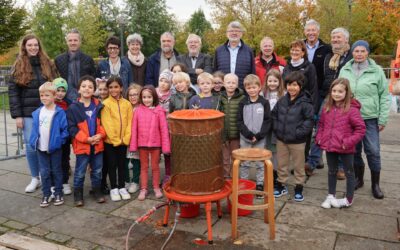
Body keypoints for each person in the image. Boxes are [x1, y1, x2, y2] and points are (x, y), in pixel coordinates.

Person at [339, 40, 390, 199]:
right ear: (352, 52)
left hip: (370, 118)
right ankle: (358, 179)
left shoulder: (377, 71)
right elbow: (339, 92)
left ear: (367, 52)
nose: (359, 54)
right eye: (356, 51)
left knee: (373, 151)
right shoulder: (345, 69)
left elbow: (384, 96)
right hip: (350, 118)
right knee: (354, 151)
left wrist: (382, 118)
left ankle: (375, 184)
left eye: (362, 51)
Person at [8, 34, 58, 193]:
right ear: (24, 47)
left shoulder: (47, 63)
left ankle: (46, 175)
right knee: (31, 146)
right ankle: (35, 177)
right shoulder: (18, 65)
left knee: (46, 144)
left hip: (47, 111)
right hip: (28, 113)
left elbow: (55, 83)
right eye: (30, 45)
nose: (33, 48)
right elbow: (13, 91)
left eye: (36, 45)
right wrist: (17, 115)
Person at [306, 27, 353, 177]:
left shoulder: (352, 56)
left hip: (344, 98)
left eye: (338, 37)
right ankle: (312, 162)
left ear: (346, 39)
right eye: (333, 38)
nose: (335, 40)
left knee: (341, 130)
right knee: (320, 128)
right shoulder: (328, 55)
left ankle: (340, 167)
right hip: (325, 96)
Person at [317, 78, 366, 208]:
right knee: (331, 171)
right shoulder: (327, 107)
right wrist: (320, 138)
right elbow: (321, 125)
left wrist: (347, 142)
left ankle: (348, 199)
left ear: (347, 92)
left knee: (349, 172)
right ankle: (331, 195)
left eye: (340, 91)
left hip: (346, 148)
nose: (336, 94)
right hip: (330, 145)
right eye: (334, 91)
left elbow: (360, 129)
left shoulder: (352, 109)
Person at [272, 71, 314, 202]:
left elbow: (309, 121)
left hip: (297, 141)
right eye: (289, 85)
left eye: (295, 85)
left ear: (301, 86)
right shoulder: (282, 101)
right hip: (282, 139)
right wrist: (278, 130)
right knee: (281, 164)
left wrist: (299, 133)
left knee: (298, 165)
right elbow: (274, 115)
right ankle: (281, 184)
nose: (292, 88)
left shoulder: (305, 102)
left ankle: (299, 186)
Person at [66, 75, 106, 206]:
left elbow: (104, 124)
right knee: (80, 172)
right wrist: (86, 139)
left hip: (98, 144)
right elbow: (72, 128)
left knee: (97, 171)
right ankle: (78, 194)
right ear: (78, 89)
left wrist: (100, 135)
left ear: (94, 90)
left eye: (90, 87)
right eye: (84, 86)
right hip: (83, 146)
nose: (87, 89)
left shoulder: (99, 106)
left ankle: (97, 191)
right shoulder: (73, 108)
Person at [30, 82, 69, 207]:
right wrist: (33, 141)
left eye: (47, 95)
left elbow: (65, 130)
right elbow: (34, 129)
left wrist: (59, 141)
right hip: (41, 148)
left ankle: (58, 193)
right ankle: (46, 194)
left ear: (54, 96)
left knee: (57, 171)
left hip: (55, 148)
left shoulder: (59, 112)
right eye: (41, 95)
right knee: (44, 172)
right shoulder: (37, 112)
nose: (44, 98)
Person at [130, 85, 171, 201]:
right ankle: (143, 188)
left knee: (155, 167)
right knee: (144, 167)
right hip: (142, 144)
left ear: (154, 97)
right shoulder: (137, 111)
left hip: (155, 145)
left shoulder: (159, 111)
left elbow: (164, 130)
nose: (146, 99)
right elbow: (134, 129)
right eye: (144, 97)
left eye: (149, 97)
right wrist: (133, 145)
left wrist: (165, 147)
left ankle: (156, 187)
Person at [238, 74, 271, 198]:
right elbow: (239, 121)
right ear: (245, 89)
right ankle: (244, 183)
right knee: (244, 162)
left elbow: (268, 120)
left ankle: (260, 184)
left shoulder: (264, 103)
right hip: (245, 137)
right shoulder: (243, 103)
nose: (251, 90)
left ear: (259, 88)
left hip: (260, 138)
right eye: (249, 88)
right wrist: (248, 134)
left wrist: (259, 135)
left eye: (254, 87)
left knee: (259, 163)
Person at [101, 76, 133, 202]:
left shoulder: (127, 104)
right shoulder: (105, 104)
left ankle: (122, 186)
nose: (113, 90)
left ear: (121, 88)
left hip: (123, 141)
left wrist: (126, 138)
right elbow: (107, 123)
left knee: (122, 164)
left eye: (116, 87)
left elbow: (130, 122)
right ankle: (114, 187)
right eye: (110, 87)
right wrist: (115, 139)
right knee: (112, 164)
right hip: (110, 142)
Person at [55, 29, 96, 101]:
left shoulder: (88, 59)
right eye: (70, 40)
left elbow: (93, 78)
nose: (73, 43)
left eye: (75, 40)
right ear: (67, 42)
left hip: (84, 98)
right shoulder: (59, 60)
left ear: (80, 42)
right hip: (65, 99)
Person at [214, 21, 255, 89]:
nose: (234, 33)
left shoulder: (249, 50)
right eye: (231, 31)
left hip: (242, 91)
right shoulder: (219, 50)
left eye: (237, 31)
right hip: (223, 91)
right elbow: (215, 71)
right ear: (227, 33)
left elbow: (252, 72)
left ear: (241, 33)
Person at [262, 69, 286, 186]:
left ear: (279, 81)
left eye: (275, 81)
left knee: (276, 150)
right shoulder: (263, 93)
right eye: (270, 81)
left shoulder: (283, 94)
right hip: (267, 126)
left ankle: (276, 174)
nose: (272, 83)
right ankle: (268, 173)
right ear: (266, 81)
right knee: (267, 149)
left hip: (278, 126)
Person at [220, 73, 245, 178]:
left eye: (233, 83)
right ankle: (226, 177)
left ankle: (234, 177)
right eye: (228, 82)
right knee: (224, 158)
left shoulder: (242, 98)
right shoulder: (220, 97)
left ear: (237, 84)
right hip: (223, 135)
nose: (231, 85)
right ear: (224, 84)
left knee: (235, 157)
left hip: (236, 134)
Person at [53, 78, 73, 195]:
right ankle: (55, 183)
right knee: (54, 162)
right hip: (53, 138)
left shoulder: (68, 103)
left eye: (63, 90)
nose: (60, 93)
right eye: (58, 90)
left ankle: (65, 182)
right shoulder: (49, 103)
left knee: (65, 161)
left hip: (64, 138)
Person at [156, 70, 173, 184]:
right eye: (161, 80)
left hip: (168, 127)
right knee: (156, 153)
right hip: (156, 128)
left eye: (166, 81)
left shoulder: (173, 95)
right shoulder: (154, 93)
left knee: (167, 152)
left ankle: (168, 174)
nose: (163, 83)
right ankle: (155, 175)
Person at [303, 19, 331, 92]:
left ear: (318, 32)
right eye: (308, 30)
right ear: (304, 32)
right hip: (301, 89)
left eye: (313, 30)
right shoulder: (299, 46)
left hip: (319, 90)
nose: (311, 33)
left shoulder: (327, 49)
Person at [125, 84, 143, 194]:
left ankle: (135, 181)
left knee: (136, 160)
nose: (133, 97)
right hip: (126, 137)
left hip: (137, 138)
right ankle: (126, 180)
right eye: (131, 95)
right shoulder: (126, 107)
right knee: (125, 160)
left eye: (136, 94)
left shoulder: (142, 108)